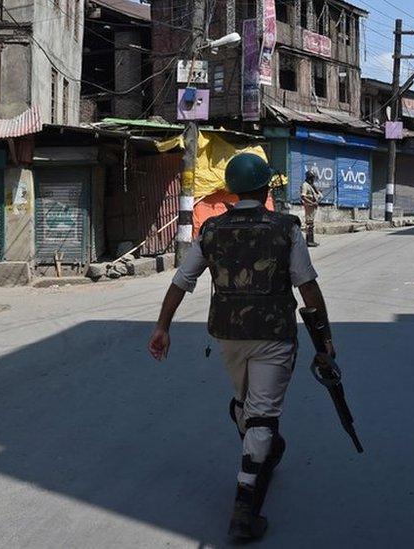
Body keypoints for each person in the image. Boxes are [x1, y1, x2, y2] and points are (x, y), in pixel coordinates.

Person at [147, 153, 335, 542]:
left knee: (246, 404)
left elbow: (182, 280)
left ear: (232, 190)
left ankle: (262, 448)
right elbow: (308, 287)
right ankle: (244, 510)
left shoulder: (212, 230)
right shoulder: (286, 228)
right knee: (262, 414)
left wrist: (162, 327)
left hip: (228, 336)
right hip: (274, 335)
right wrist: (325, 341)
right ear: (266, 188)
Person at [300, 170, 323, 247]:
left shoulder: (311, 185)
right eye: (312, 178)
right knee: (309, 223)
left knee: (311, 223)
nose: (313, 179)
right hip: (309, 206)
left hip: (312, 206)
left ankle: (311, 240)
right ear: (310, 177)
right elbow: (303, 196)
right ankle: (309, 241)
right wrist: (312, 203)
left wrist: (315, 188)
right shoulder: (305, 185)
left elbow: (317, 193)